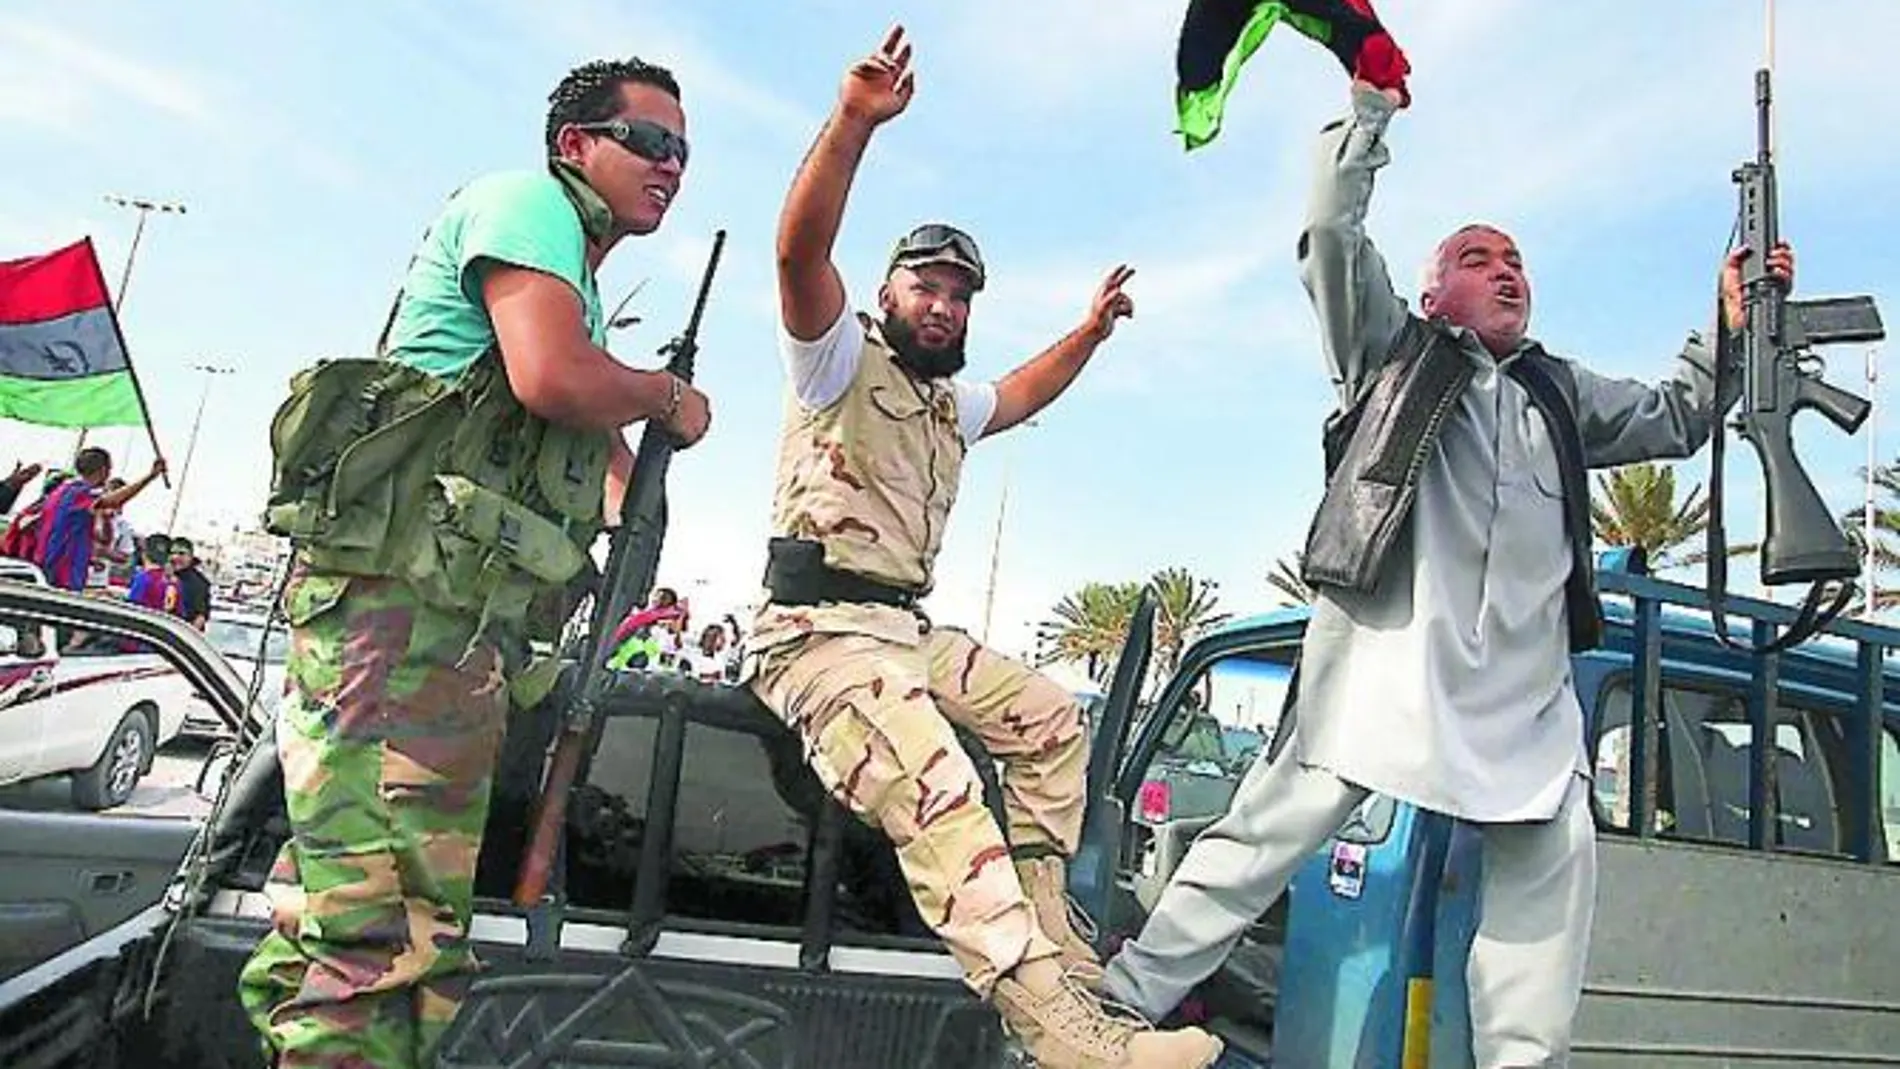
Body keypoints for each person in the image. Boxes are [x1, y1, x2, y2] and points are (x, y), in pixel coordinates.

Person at [1099, 77, 1789, 1067]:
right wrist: (1368, 116)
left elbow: (1678, 416)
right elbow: (1330, 236)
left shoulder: (1556, 388)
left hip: (1523, 697)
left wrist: (1726, 321)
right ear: (1430, 296)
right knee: (1263, 834)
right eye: (1477, 258)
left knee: (1552, 869)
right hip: (1387, 669)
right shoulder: (1389, 355)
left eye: (1515, 260)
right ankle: (1126, 999)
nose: (1506, 271)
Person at [739, 26, 1220, 1069]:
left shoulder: (947, 404)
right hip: (814, 636)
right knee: (932, 766)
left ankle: (1050, 935)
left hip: (900, 629)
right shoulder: (833, 359)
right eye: (927, 286)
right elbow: (796, 250)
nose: (944, 305)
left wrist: (1089, 331)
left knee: (1049, 720)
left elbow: (1028, 388)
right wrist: (855, 123)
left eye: (959, 295)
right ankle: (1050, 1021)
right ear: (890, 293)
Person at [238, 55, 712, 1069]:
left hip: (443, 637)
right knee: (372, 939)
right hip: (397, 624)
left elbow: (601, 462)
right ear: (575, 145)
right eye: (653, 143)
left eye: (684, 153)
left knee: (378, 927)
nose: (672, 167)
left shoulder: (570, 278)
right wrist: (663, 397)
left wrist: (645, 463)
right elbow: (550, 377)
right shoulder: (529, 206)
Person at [34, 448, 165, 592]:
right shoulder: (80, 492)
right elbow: (112, 501)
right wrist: (151, 476)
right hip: (61, 575)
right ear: (104, 470)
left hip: (50, 567)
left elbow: (97, 537)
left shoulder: (61, 492)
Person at [168, 536, 212, 629]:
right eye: (172, 553)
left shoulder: (198, 583)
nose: (175, 557)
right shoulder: (164, 576)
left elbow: (200, 617)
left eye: (181, 553)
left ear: (190, 557)